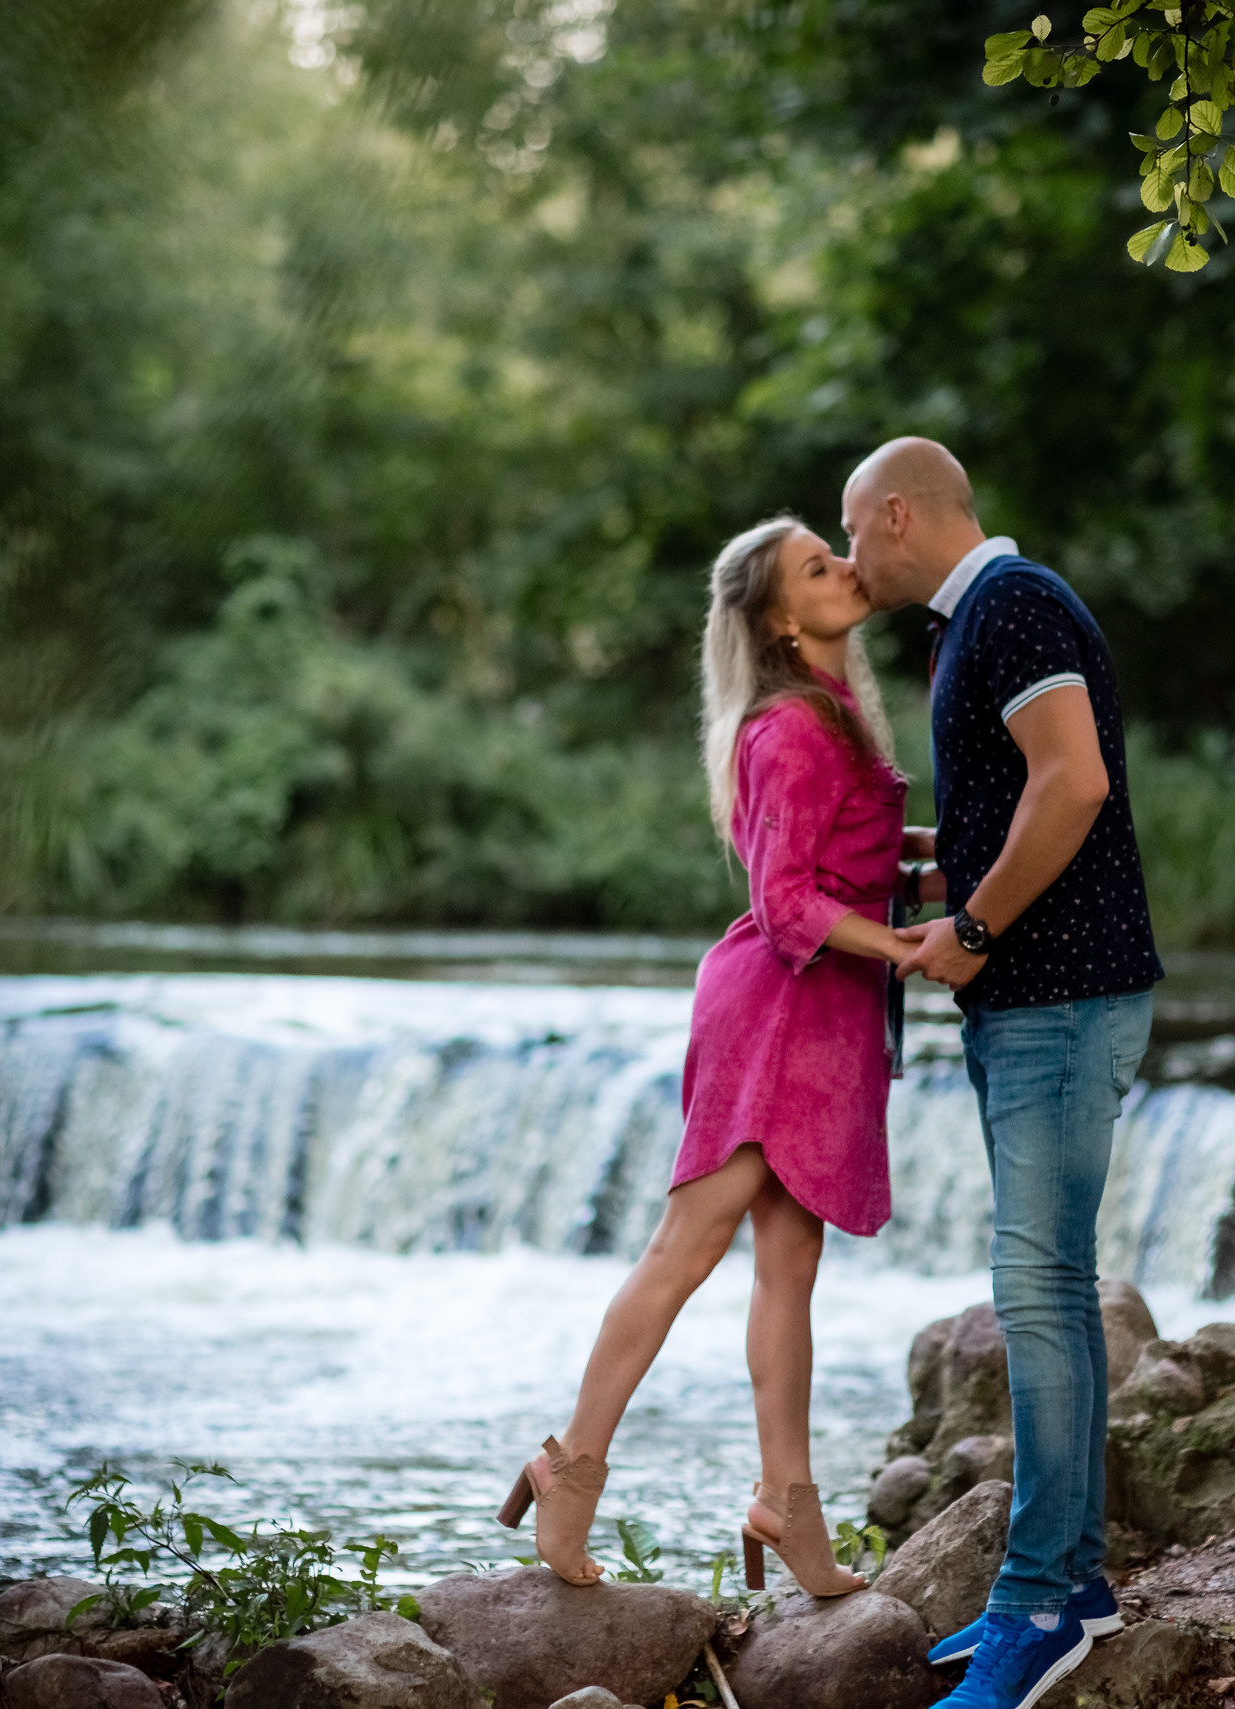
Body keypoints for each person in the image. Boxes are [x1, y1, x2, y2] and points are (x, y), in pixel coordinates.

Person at [499, 515, 926, 1596]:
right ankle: (569, 1470)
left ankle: (787, 1502)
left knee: (790, 1266)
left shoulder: (837, 713)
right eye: (816, 568)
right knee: (685, 1249)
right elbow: (784, 902)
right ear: (783, 618)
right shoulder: (788, 727)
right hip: (776, 1008)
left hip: (824, 1020)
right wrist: (911, 948)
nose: (843, 567)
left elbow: (849, 853)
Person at [844, 438, 1164, 1709]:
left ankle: (1039, 1600)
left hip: (1058, 998)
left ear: (900, 513)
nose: (848, 555)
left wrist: (970, 930)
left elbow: (1074, 781)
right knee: (1055, 1286)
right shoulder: (977, 616)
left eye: (851, 531)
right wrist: (931, 859)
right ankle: (1071, 1581)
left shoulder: (1013, 602)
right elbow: (1026, 791)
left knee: (1035, 1288)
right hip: (1045, 996)